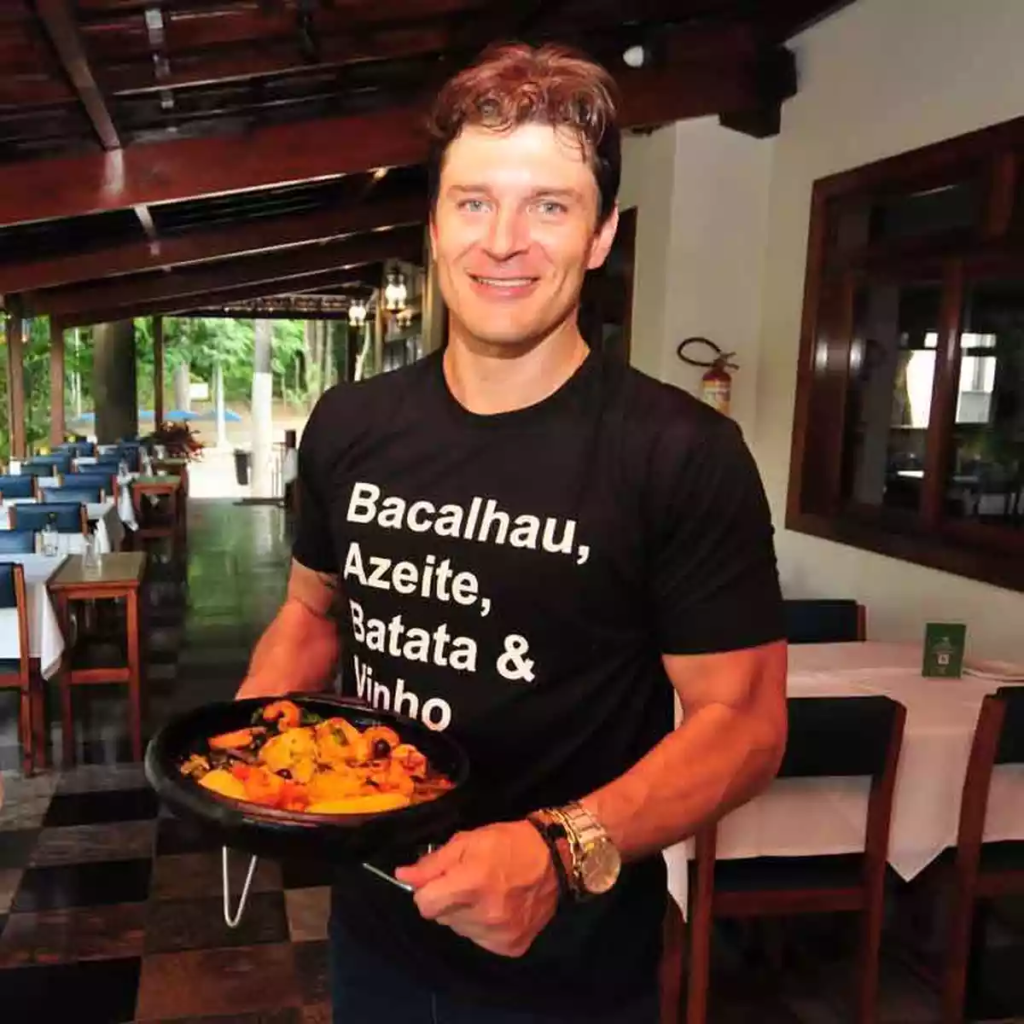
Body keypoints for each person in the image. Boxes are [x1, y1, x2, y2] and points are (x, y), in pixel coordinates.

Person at [237, 42, 788, 1024]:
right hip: (372, 933)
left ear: (601, 235)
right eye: (474, 200)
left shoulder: (680, 453)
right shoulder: (348, 425)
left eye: (549, 204)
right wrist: (253, 738)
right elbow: (310, 609)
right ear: (435, 223)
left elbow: (743, 726)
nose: (504, 240)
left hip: (571, 965)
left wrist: (558, 849)